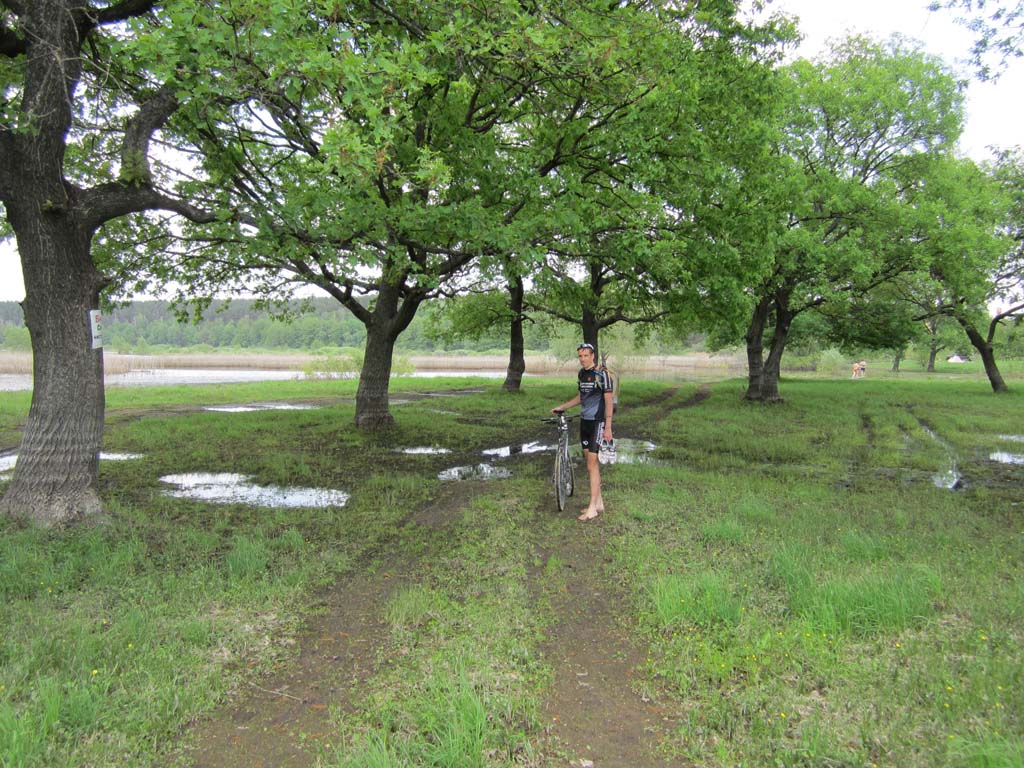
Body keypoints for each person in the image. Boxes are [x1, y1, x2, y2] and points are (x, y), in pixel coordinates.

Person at [551, 342, 614, 521]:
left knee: (591, 465)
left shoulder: (603, 374)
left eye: (586, 355)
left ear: (593, 356)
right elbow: (581, 397)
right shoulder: (582, 374)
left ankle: (592, 508)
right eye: (580, 356)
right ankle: (599, 502)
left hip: (598, 423)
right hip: (584, 422)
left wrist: (608, 427)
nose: (583, 359)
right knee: (591, 464)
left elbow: (609, 401)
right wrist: (563, 407)